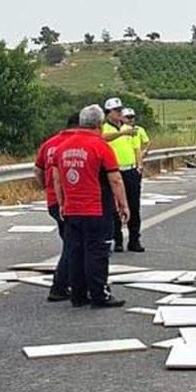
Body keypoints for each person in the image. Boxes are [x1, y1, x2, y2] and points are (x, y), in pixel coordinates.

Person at [54, 105, 130, 308]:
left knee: (75, 252)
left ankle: (78, 295)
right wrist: (123, 205)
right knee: (97, 253)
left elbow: (58, 179)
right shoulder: (101, 146)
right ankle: (99, 294)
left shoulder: (64, 147)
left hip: (72, 209)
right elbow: (115, 179)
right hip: (96, 208)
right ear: (99, 124)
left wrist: (62, 203)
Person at [33, 115, 79, 302]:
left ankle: (70, 283)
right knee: (73, 244)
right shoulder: (76, 144)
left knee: (70, 241)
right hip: (71, 201)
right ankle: (60, 286)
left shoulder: (49, 144)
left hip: (53, 200)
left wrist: (47, 187)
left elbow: (38, 170)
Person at [101, 97, 144, 252]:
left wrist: (139, 165)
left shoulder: (128, 129)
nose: (120, 113)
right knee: (114, 207)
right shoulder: (104, 128)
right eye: (116, 111)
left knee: (133, 205)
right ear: (108, 113)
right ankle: (117, 239)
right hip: (113, 171)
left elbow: (136, 149)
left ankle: (134, 239)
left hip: (130, 170)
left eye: (120, 110)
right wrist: (122, 133)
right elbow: (103, 138)